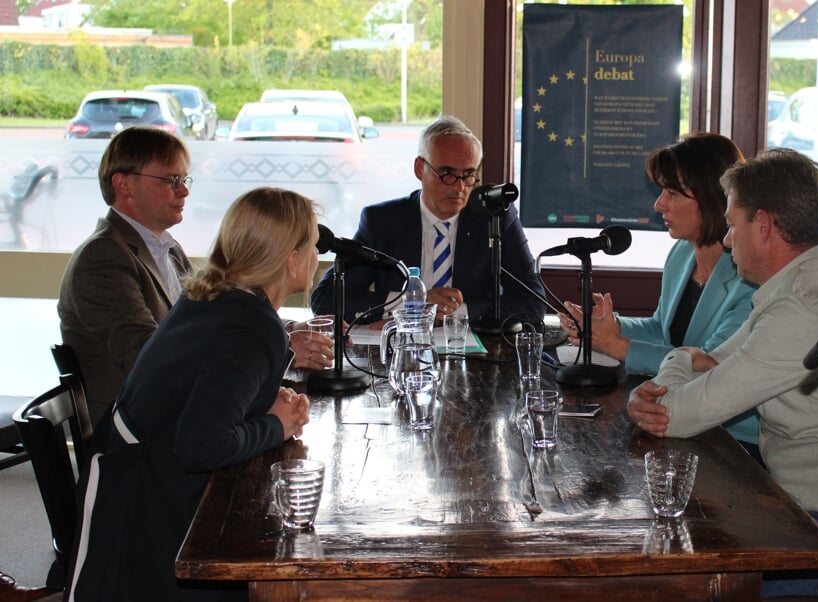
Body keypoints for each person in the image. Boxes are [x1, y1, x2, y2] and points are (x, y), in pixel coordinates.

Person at [627, 148, 818, 597]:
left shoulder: (805, 307)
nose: (727, 240)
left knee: (674, 584)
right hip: (815, 519)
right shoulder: (807, 283)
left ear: (762, 225)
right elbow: (705, 358)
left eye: (731, 224)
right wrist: (682, 366)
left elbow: (677, 414)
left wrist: (664, 385)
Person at [67, 187, 316, 601]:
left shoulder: (213, 294)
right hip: (152, 516)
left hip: (138, 471)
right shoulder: (252, 327)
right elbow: (200, 446)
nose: (316, 258)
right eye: (312, 247)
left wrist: (262, 404)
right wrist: (276, 424)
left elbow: (208, 390)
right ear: (291, 259)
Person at [58, 127, 332, 427]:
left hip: (179, 411)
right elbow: (148, 359)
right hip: (139, 432)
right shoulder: (103, 258)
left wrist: (289, 329)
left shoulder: (166, 248)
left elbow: (216, 320)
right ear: (124, 184)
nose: (184, 190)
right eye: (171, 180)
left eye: (184, 180)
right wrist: (284, 350)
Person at [558, 134, 759, 458]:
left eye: (672, 193)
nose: (658, 205)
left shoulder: (750, 274)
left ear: (714, 199)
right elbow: (662, 330)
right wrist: (611, 328)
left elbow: (706, 364)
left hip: (733, 440)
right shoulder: (681, 253)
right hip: (677, 421)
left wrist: (617, 346)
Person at [311, 114, 546, 326]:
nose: (459, 186)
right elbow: (325, 300)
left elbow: (533, 303)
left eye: (468, 174)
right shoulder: (382, 222)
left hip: (470, 353)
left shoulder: (495, 218)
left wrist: (458, 312)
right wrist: (411, 303)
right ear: (419, 168)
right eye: (447, 174)